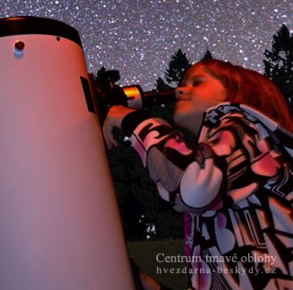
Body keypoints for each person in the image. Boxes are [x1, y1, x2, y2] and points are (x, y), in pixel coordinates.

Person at [104, 58, 293, 290]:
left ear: (237, 93)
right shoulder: (229, 165)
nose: (181, 89)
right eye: (184, 83)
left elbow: (191, 189)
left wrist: (132, 120)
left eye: (198, 82)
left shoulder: (241, 123)